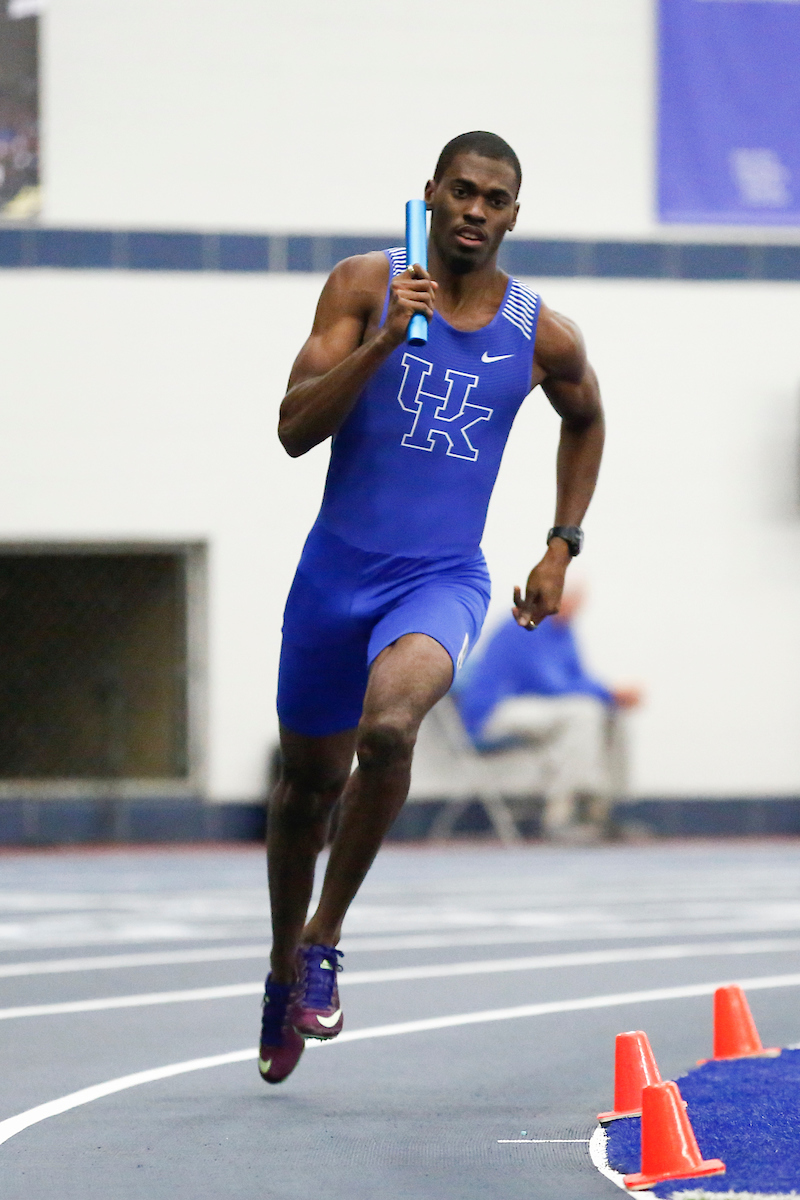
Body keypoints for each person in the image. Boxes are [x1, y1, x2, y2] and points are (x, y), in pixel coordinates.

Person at [259, 131, 605, 1084]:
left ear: (513, 216)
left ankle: (325, 938)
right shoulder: (365, 283)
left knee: (393, 726)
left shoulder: (541, 332)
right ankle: (284, 960)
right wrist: (381, 343)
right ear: (431, 194)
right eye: (462, 192)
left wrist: (559, 544)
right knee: (305, 792)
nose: (475, 211)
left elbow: (586, 415)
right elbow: (293, 430)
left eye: (495, 199)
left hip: (441, 576)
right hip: (333, 578)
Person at [455, 587, 641, 837]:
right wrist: (610, 692)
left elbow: (576, 678)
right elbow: (548, 684)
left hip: (533, 709)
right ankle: (566, 813)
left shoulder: (564, 632)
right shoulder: (524, 623)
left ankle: (602, 809)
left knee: (608, 714)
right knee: (583, 713)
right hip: (493, 711)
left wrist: (611, 698)